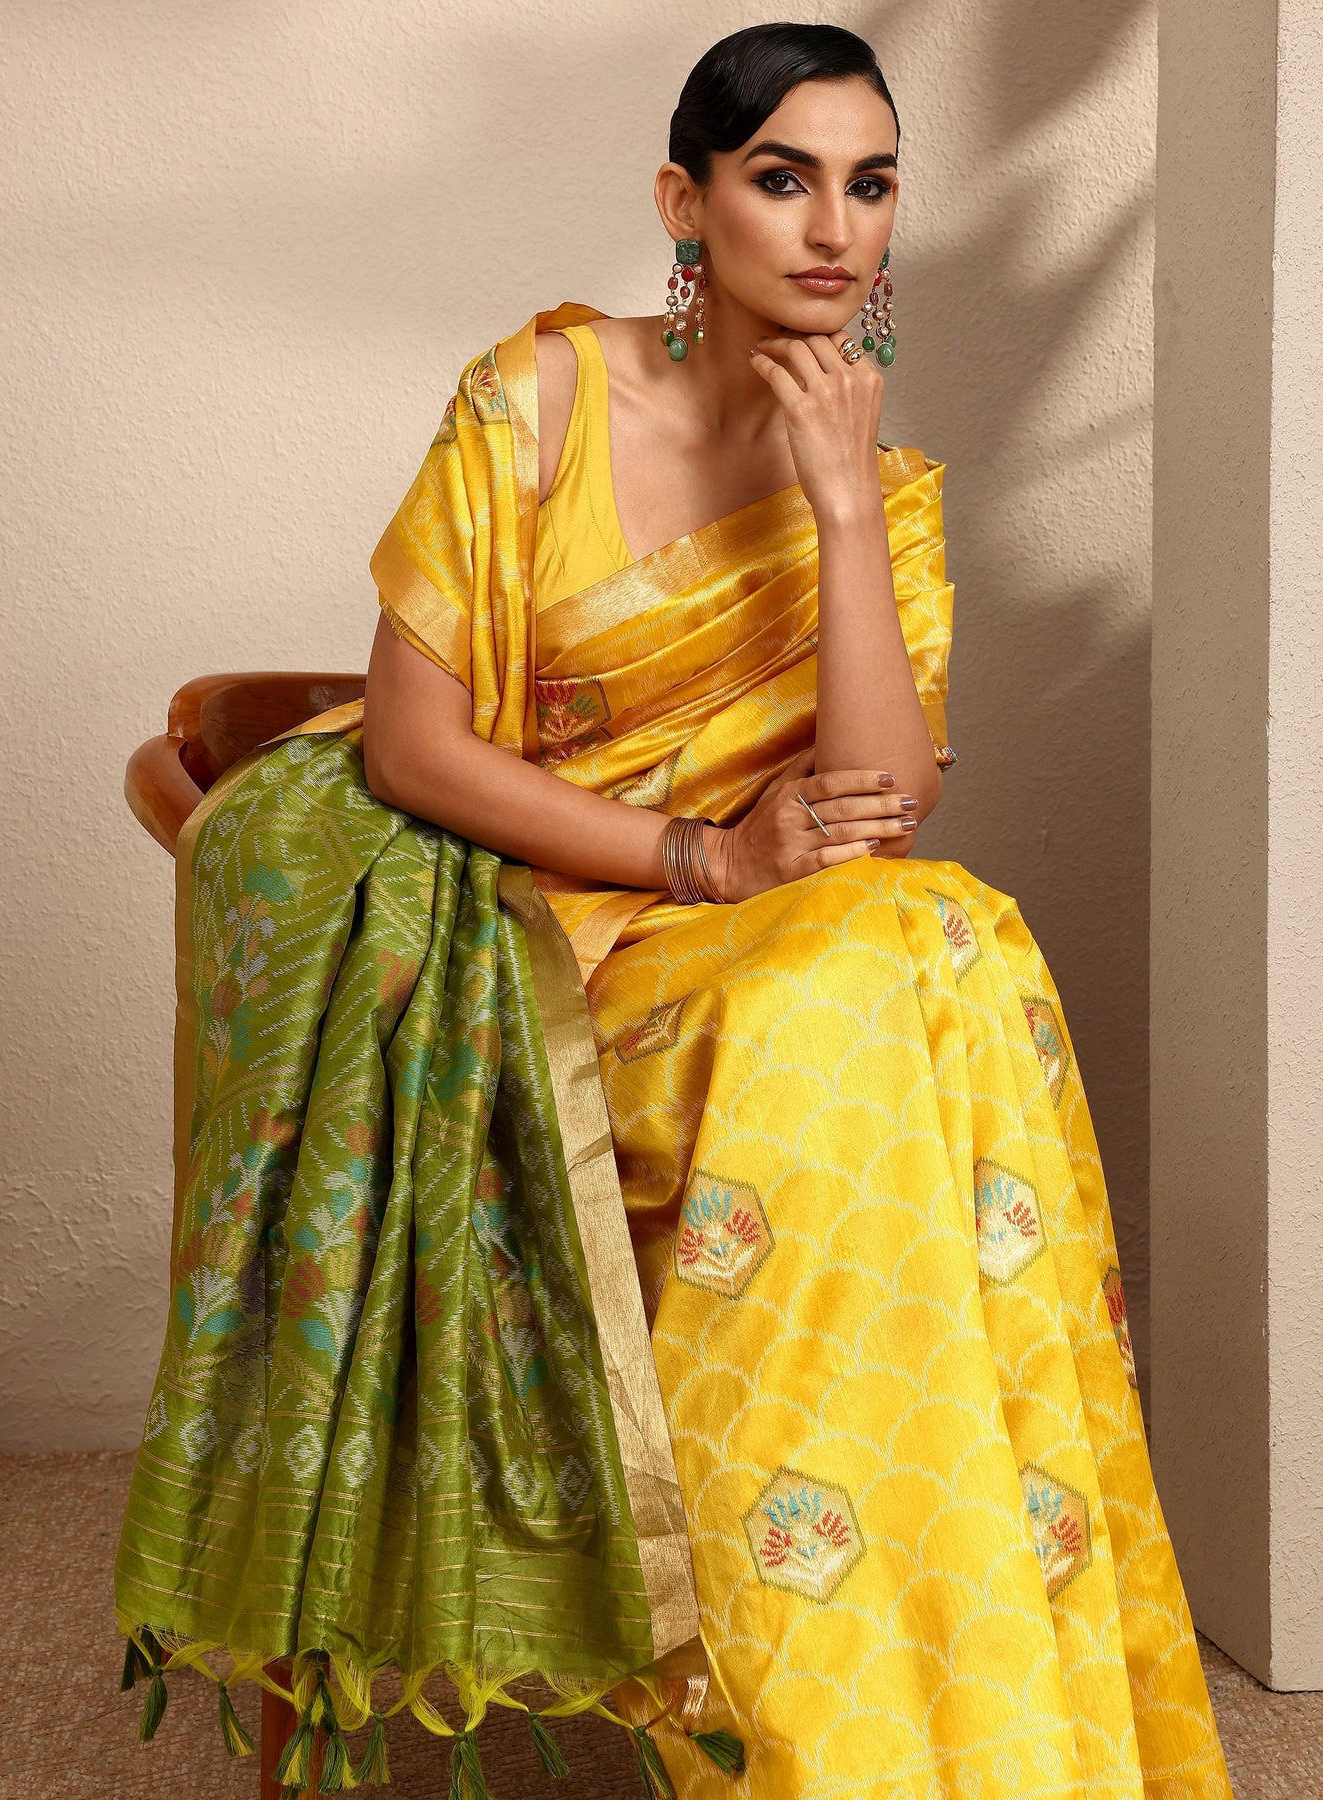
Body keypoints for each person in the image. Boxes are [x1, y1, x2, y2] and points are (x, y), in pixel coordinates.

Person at [114, 22, 1233, 1799]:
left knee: (943, 934)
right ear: (683, 202)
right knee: (849, 992)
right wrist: (701, 857)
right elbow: (411, 746)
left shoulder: (888, 489)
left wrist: (841, 504)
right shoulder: (541, 399)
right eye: (780, 178)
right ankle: (832, 1723)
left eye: (869, 185)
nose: (831, 228)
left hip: (765, 950)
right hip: (523, 930)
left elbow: (878, 810)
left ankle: (945, 1689)